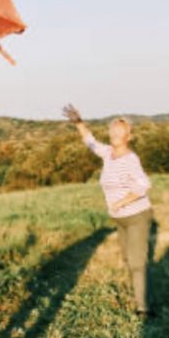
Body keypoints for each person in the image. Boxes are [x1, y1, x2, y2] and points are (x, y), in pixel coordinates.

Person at [63, 104, 155, 317]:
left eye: (120, 132)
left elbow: (144, 185)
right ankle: (140, 294)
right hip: (120, 219)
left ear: (128, 137)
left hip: (137, 216)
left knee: (136, 262)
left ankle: (143, 308)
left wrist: (121, 202)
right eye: (113, 131)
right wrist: (78, 123)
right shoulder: (108, 154)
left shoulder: (130, 159)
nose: (115, 135)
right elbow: (91, 142)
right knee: (128, 259)